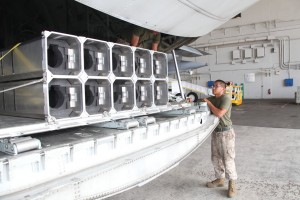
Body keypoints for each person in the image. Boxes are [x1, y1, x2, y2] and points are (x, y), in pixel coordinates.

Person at [203, 79, 237, 198]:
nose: (213, 88)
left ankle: (232, 183)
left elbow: (219, 113)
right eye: (213, 86)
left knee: (228, 159)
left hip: (226, 133)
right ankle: (220, 179)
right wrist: (192, 100)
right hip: (216, 133)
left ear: (223, 89)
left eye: (216, 86)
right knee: (215, 158)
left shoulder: (225, 98)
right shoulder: (213, 98)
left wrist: (208, 103)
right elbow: (202, 101)